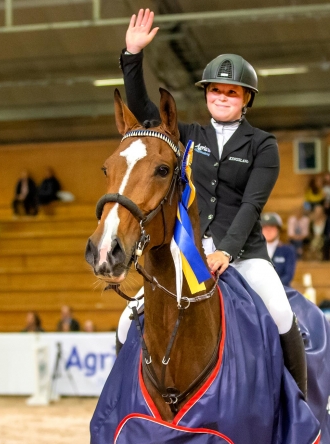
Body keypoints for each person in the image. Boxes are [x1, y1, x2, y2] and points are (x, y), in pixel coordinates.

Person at [120, 8, 307, 394]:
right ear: (206, 94)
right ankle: (129, 397)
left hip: (244, 254)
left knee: (281, 313)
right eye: (216, 90)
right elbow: (143, 111)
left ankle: (298, 404)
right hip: (185, 252)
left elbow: (251, 206)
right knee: (127, 321)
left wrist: (225, 251)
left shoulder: (263, 145)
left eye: (231, 92)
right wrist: (133, 57)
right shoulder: (188, 135)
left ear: (246, 99)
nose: (222, 97)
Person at [262, 213, 296, 287]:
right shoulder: (254, 250)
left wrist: (272, 286)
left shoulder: (287, 250)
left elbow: (288, 275)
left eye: (272, 227)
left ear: (278, 230)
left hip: (282, 290)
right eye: (265, 228)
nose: (268, 231)